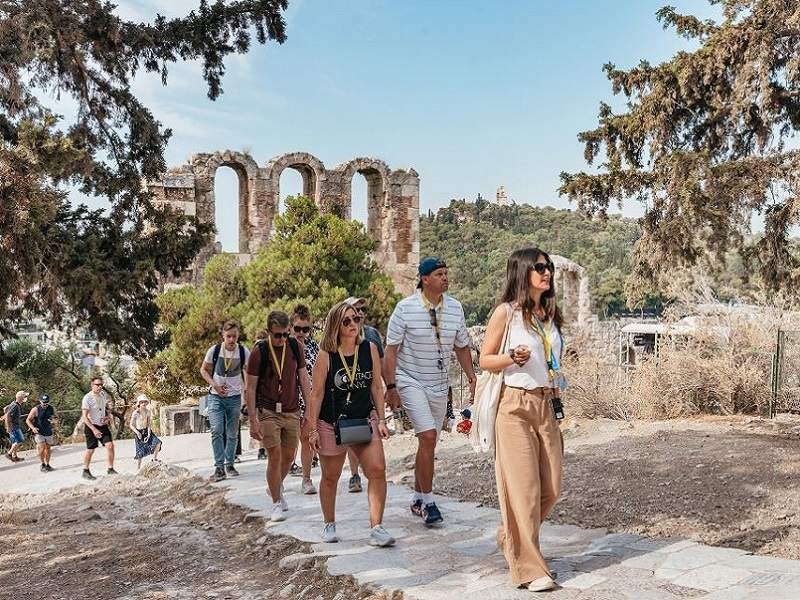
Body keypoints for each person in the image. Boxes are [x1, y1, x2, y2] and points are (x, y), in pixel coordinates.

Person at [479, 247, 565, 593]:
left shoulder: (549, 313)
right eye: (540, 267)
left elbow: (551, 360)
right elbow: (484, 360)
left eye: (549, 268)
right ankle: (530, 569)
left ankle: (509, 537)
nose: (547, 273)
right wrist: (511, 358)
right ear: (522, 272)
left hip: (546, 405)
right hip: (513, 407)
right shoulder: (506, 313)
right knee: (524, 492)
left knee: (552, 488)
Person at [384, 257, 477, 527]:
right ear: (425, 279)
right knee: (426, 436)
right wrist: (391, 387)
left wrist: (472, 376)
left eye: (446, 273)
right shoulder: (405, 309)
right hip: (410, 379)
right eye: (439, 274)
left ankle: (416, 497)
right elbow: (390, 351)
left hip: (439, 384)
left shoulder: (456, 308)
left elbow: (461, 346)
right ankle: (429, 502)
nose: (445, 278)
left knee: (429, 443)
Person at [306, 301, 395, 547]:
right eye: (347, 321)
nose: (353, 324)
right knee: (331, 476)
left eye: (356, 319)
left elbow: (376, 386)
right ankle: (329, 523)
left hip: (364, 418)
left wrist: (382, 419)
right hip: (332, 423)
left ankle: (377, 527)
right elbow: (316, 394)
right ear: (336, 325)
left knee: (377, 470)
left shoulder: (368, 349)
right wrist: (313, 430)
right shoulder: (327, 356)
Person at [246, 311, 312, 522]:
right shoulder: (259, 351)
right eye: (277, 335)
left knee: (289, 456)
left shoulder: (295, 347)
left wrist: (309, 410)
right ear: (269, 332)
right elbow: (251, 388)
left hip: (292, 410)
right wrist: (253, 420)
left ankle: (275, 486)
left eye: (285, 334)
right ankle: (276, 503)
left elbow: (304, 379)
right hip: (268, 411)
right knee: (274, 456)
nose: (282, 339)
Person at [343, 296, 385, 494]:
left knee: (372, 434)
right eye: (355, 310)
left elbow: (382, 366)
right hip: (350, 394)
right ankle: (354, 474)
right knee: (353, 435)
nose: (359, 313)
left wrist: (390, 389)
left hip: (370, 392)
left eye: (361, 310)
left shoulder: (372, 335)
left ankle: (373, 472)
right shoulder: (339, 338)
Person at [200, 320, 250, 482]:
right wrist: (215, 384)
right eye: (228, 336)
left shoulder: (243, 352)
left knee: (232, 433)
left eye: (234, 336)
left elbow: (248, 373)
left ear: (238, 336)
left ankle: (230, 464)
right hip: (215, 396)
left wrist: (246, 394)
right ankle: (219, 467)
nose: (231, 340)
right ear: (223, 335)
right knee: (216, 430)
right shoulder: (214, 351)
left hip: (235, 398)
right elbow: (203, 370)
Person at [289, 304, 320, 495]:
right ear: (291, 326)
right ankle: (277, 481)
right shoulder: (283, 347)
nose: (301, 333)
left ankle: (306, 479)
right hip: (288, 402)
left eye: (305, 329)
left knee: (307, 440)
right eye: (297, 328)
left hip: (308, 401)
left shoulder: (314, 347)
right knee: (288, 444)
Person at [81, 377, 117, 480]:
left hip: (102, 425)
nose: (100, 386)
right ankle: (85, 470)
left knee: (110, 446)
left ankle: (110, 469)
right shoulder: (87, 398)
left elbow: (105, 408)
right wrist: (94, 430)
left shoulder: (103, 395)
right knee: (91, 450)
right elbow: (84, 417)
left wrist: (107, 417)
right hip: (91, 426)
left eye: (101, 384)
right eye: (97, 385)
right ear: (92, 385)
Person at [129, 394, 162, 469]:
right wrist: (137, 433)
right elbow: (131, 425)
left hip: (147, 431)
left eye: (145, 402)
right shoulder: (135, 413)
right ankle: (138, 468)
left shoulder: (148, 412)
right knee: (140, 453)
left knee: (158, 443)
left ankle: (154, 459)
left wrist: (149, 432)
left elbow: (148, 423)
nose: (143, 403)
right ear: (139, 403)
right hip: (139, 432)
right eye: (141, 402)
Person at [25, 393, 56, 472]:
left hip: (48, 431)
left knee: (48, 448)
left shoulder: (51, 408)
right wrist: (33, 428)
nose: (45, 404)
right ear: (40, 401)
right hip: (39, 432)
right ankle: (42, 464)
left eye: (47, 402)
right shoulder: (35, 409)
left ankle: (47, 464)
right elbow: (28, 420)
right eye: (43, 402)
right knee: (42, 448)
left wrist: (53, 420)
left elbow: (55, 417)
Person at [4, 391, 29, 462]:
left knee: (14, 441)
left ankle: (14, 456)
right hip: (13, 427)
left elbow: (5, 409)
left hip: (13, 426)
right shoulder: (15, 405)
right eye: (24, 396)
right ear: (20, 397)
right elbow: (8, 415)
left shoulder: (14, 404)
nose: (25, 398)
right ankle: (9, 453)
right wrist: (8, 427)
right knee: (20, 440)